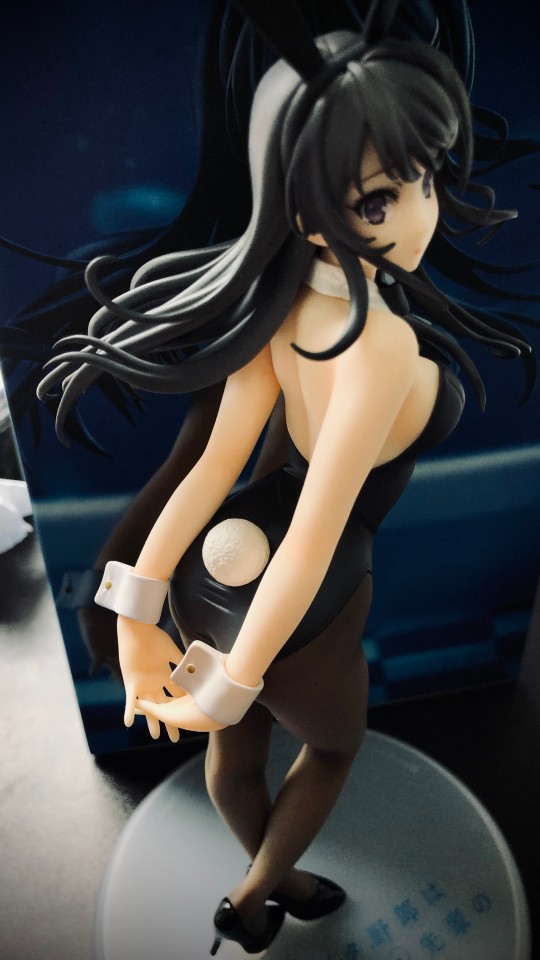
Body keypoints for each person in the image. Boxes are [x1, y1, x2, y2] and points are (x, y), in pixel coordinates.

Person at [37, 0, 534, 954]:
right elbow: (314, 533)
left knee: (235, 757)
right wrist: (232, 681)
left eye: (424, 179)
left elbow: (212, 471)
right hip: (307, 606)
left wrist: (142, 611)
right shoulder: (378, 345)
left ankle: (279, 877)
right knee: (333, 745)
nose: (420, 215)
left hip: (212, 580)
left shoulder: (276, 305)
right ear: (307, 210)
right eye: (379, 200)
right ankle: (258, 890)